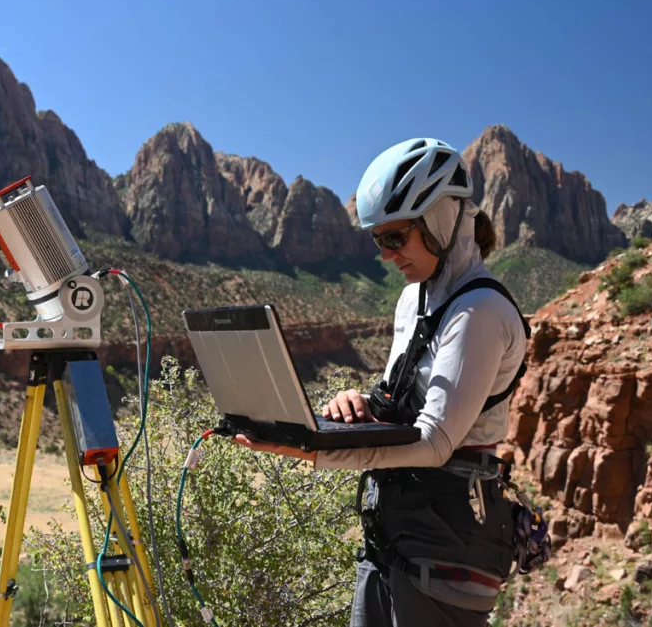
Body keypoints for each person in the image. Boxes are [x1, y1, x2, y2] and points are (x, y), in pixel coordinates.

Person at [232, 137, 541, 627]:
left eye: (396, 237)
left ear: (441, 218)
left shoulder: (479, 310)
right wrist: (356, 408)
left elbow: (435, 441)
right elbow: (397, 405)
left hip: (449, 537)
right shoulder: (413, 299)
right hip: (394, 524)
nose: (386, 254)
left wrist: (318, 454)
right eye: (378, 240)